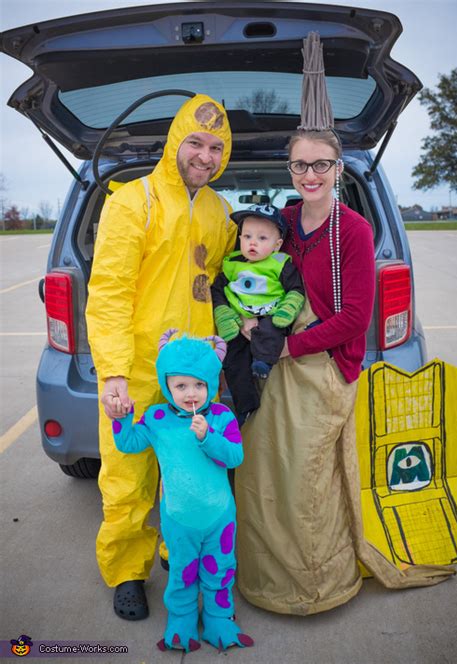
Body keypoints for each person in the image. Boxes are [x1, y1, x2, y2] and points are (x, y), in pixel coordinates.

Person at [235, 32, 454, 616]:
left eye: (322, 165)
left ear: (337, 168)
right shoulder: (278, 223)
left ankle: (314, 585)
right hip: (273, 368)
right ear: (290, 167)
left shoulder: (353, 230)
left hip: (323, 367)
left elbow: (356, 317)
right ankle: (264, 575)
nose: (311, 175)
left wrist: (289, 349)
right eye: (301, 165)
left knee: (308, 478)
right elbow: (242, 269)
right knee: (264, 474)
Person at [85, 94, 237, 620]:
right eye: (195, 142)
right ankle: (128, 571)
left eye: (216, 147)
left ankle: (177, 556)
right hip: (136, 367)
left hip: (191, 376)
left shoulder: (218, 209)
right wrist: (114, 373)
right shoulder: (134, 201)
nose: (205, 155)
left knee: (188, 473)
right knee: (127, 476)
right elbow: (107, 293)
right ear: (176, 141)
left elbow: (216, 275)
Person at [111, 331, 253, 652]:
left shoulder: (220, 416)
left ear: (211, 384)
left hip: (220, 518)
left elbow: (235, 456)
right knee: (182, 572)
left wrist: (208, 438)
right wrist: (122, 419)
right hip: (178, 519)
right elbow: (129, 443)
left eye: (200, 385)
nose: (192, 394)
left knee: (220, 570)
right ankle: (181, 620)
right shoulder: (158, 418)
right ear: (166, 384)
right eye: (181, 386)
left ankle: (218, 618)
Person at [211, 204, 304, 422]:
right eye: (247, 236)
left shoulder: (280, 264)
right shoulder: (232, 264)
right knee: (234, 361)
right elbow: (217, 290)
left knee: (272, 329)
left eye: (262, 238)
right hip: (238, 316)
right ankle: (246, 406)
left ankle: (263, 361)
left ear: (277, 245)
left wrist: (287, 309)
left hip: (270, 313)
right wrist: (224, 313)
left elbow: (296, 290)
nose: (253, 243)